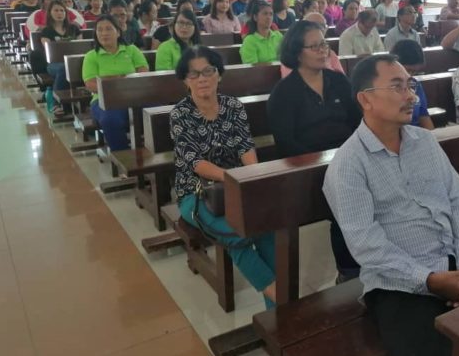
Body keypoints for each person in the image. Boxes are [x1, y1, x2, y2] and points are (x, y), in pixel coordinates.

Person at [323, 54, 459, 356]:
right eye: (397, 87)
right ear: (366, 99)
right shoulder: (348, 165)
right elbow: (366, 244)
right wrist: (431, 281)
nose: (411, 96)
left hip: (455, 265)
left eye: (410, 85)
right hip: (397, 285)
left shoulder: (425, 143)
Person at [171, 45, 276, 309]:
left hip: (236, 185)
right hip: (197, 193)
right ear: (185, 80)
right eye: (194, 74)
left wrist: (252, 177)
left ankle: (276, 311)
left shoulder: (233, 106)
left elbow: (244, 145)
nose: (202, 78)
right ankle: (280, 295)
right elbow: (195, 162)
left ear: (219, 74)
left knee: (268, 226)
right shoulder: (180, 115)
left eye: (208, 71)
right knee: (237, 235)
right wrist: (234, 179)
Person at [268, 20, 362, 281]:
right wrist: (326, 163)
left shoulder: (338, 82)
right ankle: (349, 271)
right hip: (308, 168)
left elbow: (358, 122)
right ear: (298, 52)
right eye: (315, 46)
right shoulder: (285, 93)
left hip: (349, 159)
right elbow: (286, 143)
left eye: (325, 44)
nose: (324, 51)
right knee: (348, 201)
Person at [82, 15, 149, 151]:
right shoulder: (91, 56)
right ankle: (122, 157)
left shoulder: (132, 50)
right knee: (110, 120)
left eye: (108, 29)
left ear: (118, 32)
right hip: (104, 100)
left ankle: (155, 152)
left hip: (135, 96)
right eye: (99, 30)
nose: (104, 33)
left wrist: (109, 80)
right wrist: (122, 78)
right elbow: (91, 84)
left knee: (157, 111)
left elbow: (143, 73)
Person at [39, 0, 83, 115]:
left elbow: (80, 46)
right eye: (56, 10)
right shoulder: (46, 31)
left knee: (72, 67)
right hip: (54, 63)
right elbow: (48, 49)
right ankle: (56, 102)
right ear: (50, 13)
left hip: (73, 61)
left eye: (62, 10)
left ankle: (79, 102)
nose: (59, 13)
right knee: (64, 68)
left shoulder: (73, 28)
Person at [280, 12, 345, 77]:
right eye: (314, 46)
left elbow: (342, 78)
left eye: (322, 26)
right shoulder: (292, 56)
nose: (318, 29)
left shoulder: (330, 53)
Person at [391, 39, 434, 130]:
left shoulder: (415, 85)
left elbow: (424, 116)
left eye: (414, 72)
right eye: (408, 70)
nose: (410, 75)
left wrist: (433, 139)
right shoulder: (386, 88)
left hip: (416, 135)